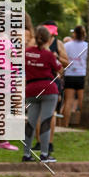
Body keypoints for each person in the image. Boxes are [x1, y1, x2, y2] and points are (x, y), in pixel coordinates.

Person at [23, 25, 61, 163]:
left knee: (31, 122)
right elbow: (58, 67)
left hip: (31, 89)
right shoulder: (49, 54)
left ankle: (26, 153)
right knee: (45, 121)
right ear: (48, 40)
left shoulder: (27, 52)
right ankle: (44, 154)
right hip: (48, 89)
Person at [38, 21, 68, 155]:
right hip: (37, 80)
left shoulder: (59, 43)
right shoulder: (36, 42)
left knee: (51, 114)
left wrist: (57, 57)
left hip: (53, 80)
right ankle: (39, 142)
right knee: (38, 113)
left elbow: (66, 63)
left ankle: (49, 143)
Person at [62, 25, 88, 127]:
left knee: (68, 101)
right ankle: (83, 125)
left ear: (74, 34)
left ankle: (65, 125)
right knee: (82, 102)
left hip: (70, 75)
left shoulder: (67, 45)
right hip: (82, 75)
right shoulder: (87, 45)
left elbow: (64, 58)